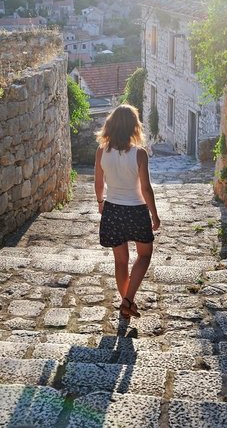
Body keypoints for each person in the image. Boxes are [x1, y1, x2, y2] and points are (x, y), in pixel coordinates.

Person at [94, 104, 160, 319]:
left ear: (110, 126)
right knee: (144, 255)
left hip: (113, 210)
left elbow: (98, 182)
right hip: (136, 211)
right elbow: (146, 188)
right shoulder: (139, 154)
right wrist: (154, 214)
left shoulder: (101, 152)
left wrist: (100, 202)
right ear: (134, 126)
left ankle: (126, 302)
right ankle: (128, 300)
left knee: (120, 261)